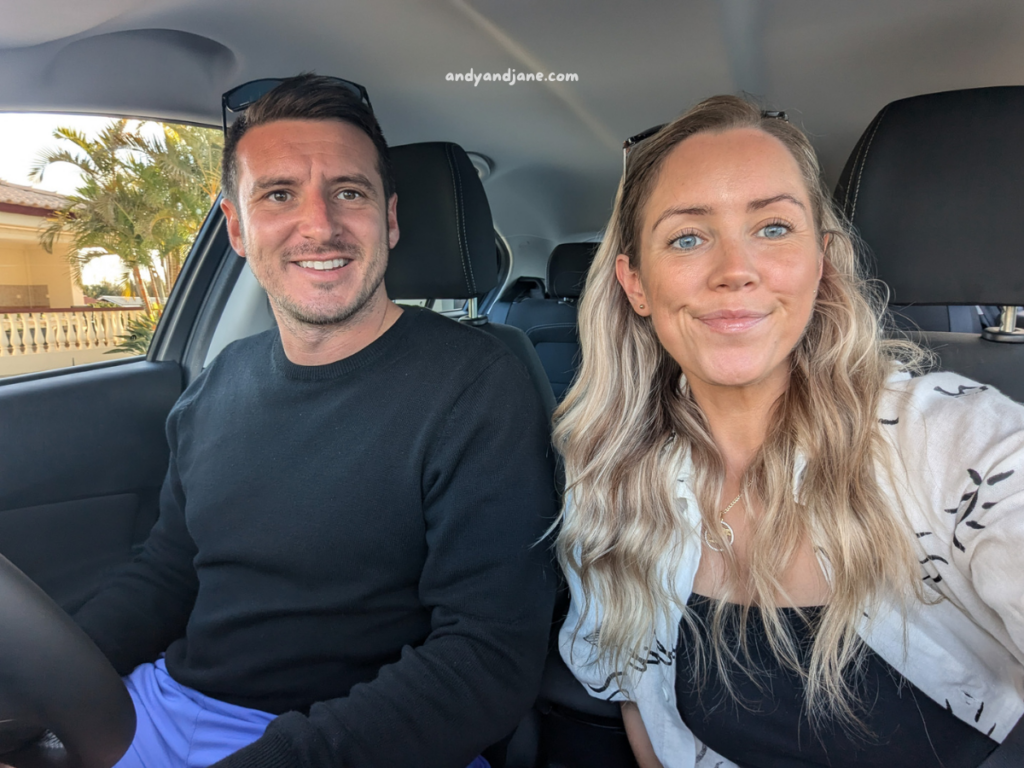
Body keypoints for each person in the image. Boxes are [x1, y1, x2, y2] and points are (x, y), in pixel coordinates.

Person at [72, 74, 558, 768]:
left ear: (389, 219)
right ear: (237, 227)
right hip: (167, 709)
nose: (320, 225)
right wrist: (56, 678)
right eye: (278, 195)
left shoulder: (477, 384)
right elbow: (169, 570)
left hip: (367, 741)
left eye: (349, 192)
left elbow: (486, 656)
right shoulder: (219, 383)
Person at [555, 95, 1024, 768]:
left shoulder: (955, 444)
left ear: (823, 260)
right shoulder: (611, 477)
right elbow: (639, 698)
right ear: (635, 284)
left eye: (773, 228)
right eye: (688, 237)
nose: (734, 270)